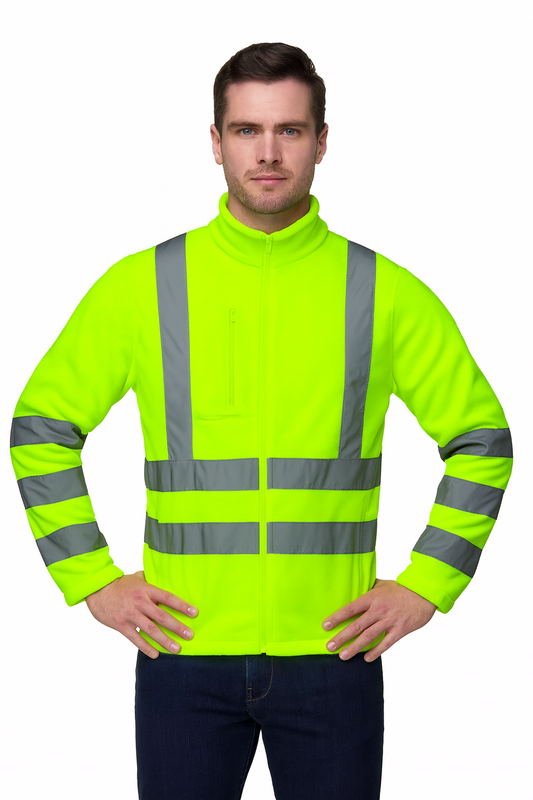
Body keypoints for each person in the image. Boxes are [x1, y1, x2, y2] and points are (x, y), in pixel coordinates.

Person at [9, 42, 513, 800]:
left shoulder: (383, 291)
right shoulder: (142, 286)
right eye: (247, 130)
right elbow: (41, 425)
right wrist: (91, 579)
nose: (268, 152)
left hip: (333, 653)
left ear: (321, 141)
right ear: (216, 142)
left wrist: (428, 583)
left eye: (290, 130)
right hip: (183, 651)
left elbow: (481, 441)